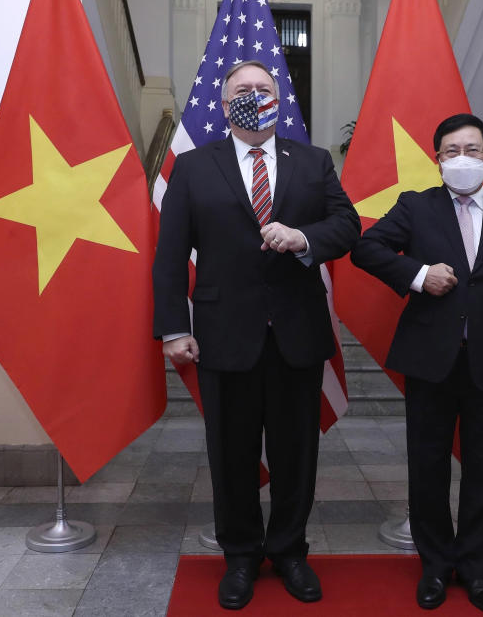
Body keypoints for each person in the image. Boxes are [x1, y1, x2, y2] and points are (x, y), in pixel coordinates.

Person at [152, 61, 360, 610]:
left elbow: (348, 225)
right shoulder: (194, 167)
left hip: (297, 333)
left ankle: (290, 551)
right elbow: (170, 254)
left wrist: (302, 236)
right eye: (242, 91)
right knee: (231, 455)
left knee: (296, 455)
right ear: (223, 106)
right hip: (224, 335)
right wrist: (174, 327)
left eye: (263, 90)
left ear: (279, 100)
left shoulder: (312, 162)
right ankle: (240, 556)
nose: (253, 97)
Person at [350, 113, 483, 613]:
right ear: (437, 160)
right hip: (429, 362)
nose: (462, 159)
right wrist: (417, 274)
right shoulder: (416, 208)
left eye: (472, 150)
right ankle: (435, 566)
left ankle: (476, 570)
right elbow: (366, 248)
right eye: (451, 151)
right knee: (428, 469)